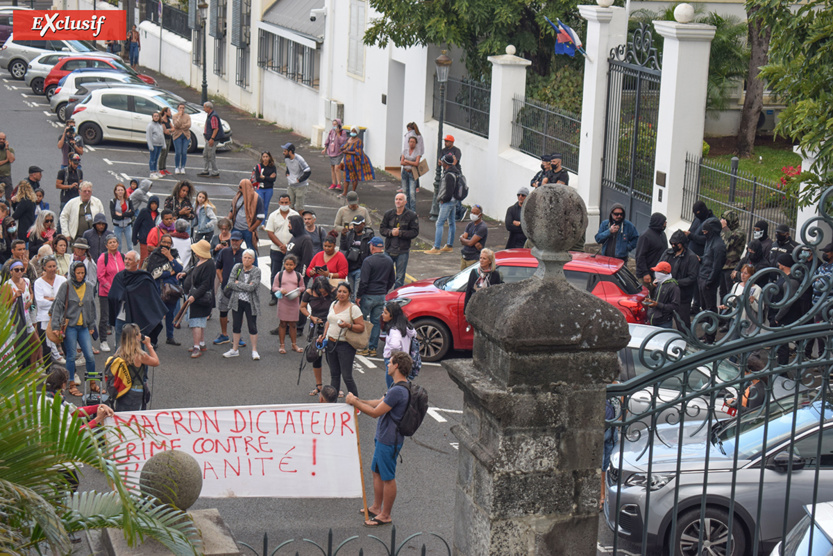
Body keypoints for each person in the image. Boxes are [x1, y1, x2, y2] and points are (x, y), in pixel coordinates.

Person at [345, 350, 413, 527]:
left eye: (390, 362)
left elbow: (375, 413)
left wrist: (355, 403)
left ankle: (385, 515)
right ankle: (376, 507)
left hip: (389, 440)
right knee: (376, 471)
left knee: (388, 477)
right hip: (384, 437)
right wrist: (358, 400)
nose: (388, 365)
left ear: (397, 365)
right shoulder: (397, 387)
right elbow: (378, 402)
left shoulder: (398, 390)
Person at [51, 261, 97, 396]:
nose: (80, 276)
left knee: (89, 356)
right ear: (73, 273)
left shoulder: (89, 286)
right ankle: (71, 384)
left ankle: (93, 383)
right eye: (78, 273)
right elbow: (58, 306)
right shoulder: (66, 286)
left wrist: (91, 324)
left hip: (83, 327)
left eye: (83, 273)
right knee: (71, 356)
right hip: (69, 326)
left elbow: (92, 306)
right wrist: (55, 326)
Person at [107, 250, 166, 350]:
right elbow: (112, 295)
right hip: (121, 318)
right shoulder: (119, 277)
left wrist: (127, 294)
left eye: (130, 259)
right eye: (126, 259)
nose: (127, 261)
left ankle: (141, 366)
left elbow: (152, 299)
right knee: (119, 349)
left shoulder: (144, 279)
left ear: (137, 262)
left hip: (138, 319)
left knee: (139, 350)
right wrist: (123, 295)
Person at [319, 282, 365, 397]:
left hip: (345, 346)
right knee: (334, 375)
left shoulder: (354, 309)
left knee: (346, 376)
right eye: (339, 291)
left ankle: (355, 403)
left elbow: (361, 327)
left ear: (349, 294)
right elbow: (329, 321)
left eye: (345, 292)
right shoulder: (333, 304)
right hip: (331, 343)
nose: (341, 294)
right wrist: (324, 335)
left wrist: (348, 326)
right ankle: (333, 404)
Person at [356, 237, 395, 357]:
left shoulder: (368, 261)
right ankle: (373, 348)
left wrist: (359, 296)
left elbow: (363, 281)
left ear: (372, 246)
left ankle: (363, 347)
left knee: (362, 321)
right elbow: (392, 280)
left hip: (368, 295)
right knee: (376, 322)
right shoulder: (389, 261)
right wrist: (384, 290)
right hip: (381, 296)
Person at [108, 323, 160, 412]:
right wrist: (149, 345)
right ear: (136, 337)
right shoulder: (140, 355)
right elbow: (156, 362)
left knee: (122, 417)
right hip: (135, 391)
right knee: (134, 419)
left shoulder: (119, 351)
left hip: (122, 390)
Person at [144, 235, 184, 347]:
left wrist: (170, 257)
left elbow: (179, 269)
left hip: (172, 289)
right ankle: (153, 339)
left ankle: (170, 337)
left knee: (170, 313)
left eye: (168, 243)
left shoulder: (174, 253)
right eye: (164, 242)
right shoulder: (154, 255)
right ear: (160, 242)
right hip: (158, 289)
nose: (166, 245)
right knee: (157, 314)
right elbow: (154, 274)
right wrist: (170, 272)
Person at [223, 249, 261, 360]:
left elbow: (252, 287)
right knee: (236, 325)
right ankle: (234, 349)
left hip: (250, 302)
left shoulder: (256, 271)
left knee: (252, 325)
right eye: (245, 257)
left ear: (253, 260)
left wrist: (238, 283)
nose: (247, 260)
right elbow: (230, 283)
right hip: (237, 301)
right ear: (242, 258)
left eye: (249, 258)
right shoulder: (237, 267)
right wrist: (245, 285)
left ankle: (254, 350)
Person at [300, 277, 335, 396]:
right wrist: (311, 317)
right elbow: (302, 307)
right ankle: (318, 386)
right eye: (320, 292)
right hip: (315, 327)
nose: (323, 294)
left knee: (332, 358)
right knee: (316, 356)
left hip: (331, 327)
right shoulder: (309, 293)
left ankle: (335, 386)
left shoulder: (334, 291)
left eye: (325, 292)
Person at [773, 253, 810, 364]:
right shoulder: (783, 277)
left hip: (785, 317)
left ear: (783, 265)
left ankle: (783, 370)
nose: (777, 264)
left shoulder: (792, 281)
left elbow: (788, 302)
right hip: (779, 316)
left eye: (779, 263)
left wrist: (778, 317)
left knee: (783, 345)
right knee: (779, 345)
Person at [182, 240, 215, 358]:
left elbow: (205, 285)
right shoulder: (201, 261)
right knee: (199, 322)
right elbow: (193, 272)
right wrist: (185, 275)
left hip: (199, 298)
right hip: (196, 296)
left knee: (195, 322)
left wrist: (194, 296)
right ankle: (201, 343)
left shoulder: (209, 265)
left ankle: (196, 347)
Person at [660, 231, 699, 329]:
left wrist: (675, 282)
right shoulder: (667, 253)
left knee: (683, 324)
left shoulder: (691, 257)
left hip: (682, 296)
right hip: (666, 294)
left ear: (682, 244)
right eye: (672, 243)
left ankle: (687, 341)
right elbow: (659, 266)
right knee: (662, 321)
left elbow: (692, 277)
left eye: (676, 244)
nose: (673, 246)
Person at [264, 195, 299, 302]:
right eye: (282, 202)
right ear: (279, 203)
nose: (284, 205)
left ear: (290, 202)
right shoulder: (273, 215)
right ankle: (274, 296)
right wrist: (281, 246)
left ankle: (290, 294)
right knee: (275, 273)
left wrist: (287, 245)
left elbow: (298, 232)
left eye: (286, 202)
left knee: (292, 273)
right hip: (276, 249)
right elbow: (270, 232)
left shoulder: (295, 215)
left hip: (291, 249)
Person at [380, 193, 419, 288]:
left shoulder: (411, 215)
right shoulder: (388, 214)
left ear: (405, 202)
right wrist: (390, 232)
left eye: (400, 199)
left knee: (400, 277)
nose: (398, 201)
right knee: (384, 275)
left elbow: (414, 232)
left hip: (402, 251)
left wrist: (400, 233)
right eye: (396, 199)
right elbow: (382, 229)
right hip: (388, 250)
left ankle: (396, 298)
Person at [697, 217, 726, 344]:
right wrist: (701, 259)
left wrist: (709, 281)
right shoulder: (710, 241)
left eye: (706, 231)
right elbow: (708, 259)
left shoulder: (719, 245)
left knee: (710, 309)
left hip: (708, 281)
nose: (704, 233)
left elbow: (717, 266)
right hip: (702, 277)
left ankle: (710, 336)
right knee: (704, 308)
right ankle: (706, 334)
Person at [35, 255, 67, 366]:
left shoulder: (62, 280)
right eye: (49, 266)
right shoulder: (38, 282)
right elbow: (40, 302)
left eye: (54, 266)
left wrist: (48, 299)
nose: (52, 269)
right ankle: (48, 367)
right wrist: (56, 301)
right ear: (44, 268)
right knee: (46, 346)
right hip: (44, 316)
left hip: (60, 316)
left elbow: (66, 298)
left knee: (63, 341)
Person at [5, 259, 38, 366]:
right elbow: (4, 306)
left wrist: (30, 301)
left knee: (36, 343)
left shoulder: (26, 281)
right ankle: (19, 372)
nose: (19, 272)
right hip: (14, 320)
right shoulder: (7, 286)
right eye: (16, 270)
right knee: (16, 348)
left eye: (21, 269)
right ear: (11, 272)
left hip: (26, 317)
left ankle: (33, 369)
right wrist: (14, 297)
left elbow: (31, 293)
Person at [425, 153, 459, 255]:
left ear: (445, 163)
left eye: (442, 161)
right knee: (452, 223)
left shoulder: (448, 175)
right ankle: (449, 245)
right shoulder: (455, 172)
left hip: (447, 202)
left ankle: (436, 247)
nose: (441, 163)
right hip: (454, 201)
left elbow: (448, 191)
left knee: (439, 223)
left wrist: (443, 199)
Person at [96, 235, 124, 353]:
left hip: (120, 293)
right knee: (105, 317)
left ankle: (118, 340)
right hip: (106, 293)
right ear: (106, 245)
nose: (113, 244)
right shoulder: (103, 258)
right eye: (110, 242)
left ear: (118, 244)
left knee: (119, 316)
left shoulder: (122, 256)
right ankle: (103, 340)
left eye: (115, 242)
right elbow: (100, 276)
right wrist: (110, 288)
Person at [273, 254, 306, 354]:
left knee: (293, 324)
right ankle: (282, 345)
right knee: (282, 323)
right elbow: (274, 287)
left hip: (294, 302)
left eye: (291, 265)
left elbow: (302, 287)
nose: (289, 266)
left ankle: (294, 344)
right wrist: (280, 289)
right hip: (283, 302)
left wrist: (298, 290)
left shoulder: (298, 275)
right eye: (287, 264)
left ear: (295, 265)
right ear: (284, 264)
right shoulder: (280, 275)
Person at [685, 201, 713, 314]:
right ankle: (695, 305)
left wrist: (691, 236)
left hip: (702, 258)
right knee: (693, 282)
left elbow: (705, 239)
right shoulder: (697, 219)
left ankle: (700, 306)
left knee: (699, 284)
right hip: (692, 256)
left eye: (697, 212)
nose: (696, 215)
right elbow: (691, 231)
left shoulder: (710, 222)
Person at [719, 264, 763, 336]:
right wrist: (726, 306)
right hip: (735, 319)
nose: (742, 275)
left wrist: (752, 302)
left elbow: (760, 309)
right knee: (733, 341)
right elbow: (731, 300)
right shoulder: (736, 285)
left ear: (752, 275)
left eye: (746, 273)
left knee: (744, 342)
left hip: (748, 321)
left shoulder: (757, 289)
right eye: (742, 272)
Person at [380, 302, 415, 388]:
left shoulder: (394, 330)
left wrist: (392, 360)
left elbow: (395, 346)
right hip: (404, 360)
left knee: (392, 387)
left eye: (385, 313)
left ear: (392, 316)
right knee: (401, 386)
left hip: (395, 362)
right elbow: (414, 334)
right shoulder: (406, 326)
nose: (382, 315)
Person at [431, 134, 462, 220]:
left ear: (452, 142)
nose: (445, 143)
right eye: (445, 141)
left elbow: (455, 161)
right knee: (447, 189)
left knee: (455, 191)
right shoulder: (443, 150)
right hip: (446, 172)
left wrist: (448, 164)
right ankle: (454, 212)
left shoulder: (456, 150)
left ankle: (459, 210)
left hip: (455, 173)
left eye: (447, 141)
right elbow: (439, 161)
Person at [341, 215, 373, 296]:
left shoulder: (368, 235)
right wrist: (343, 236)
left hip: (360, 268)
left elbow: (371, 251)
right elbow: (343, 248)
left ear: (363, 224)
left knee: (357, 293)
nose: (356, 227)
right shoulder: (349, 234)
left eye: (358, 224)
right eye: (354, 224)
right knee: (350, 293)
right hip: (350, 267)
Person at [228, 179, 264, 250]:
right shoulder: (237, 196)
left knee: (251, 252)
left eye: (240, 187)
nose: (238, 188)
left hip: (248, 230)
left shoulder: (257, 199)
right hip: (236, 228)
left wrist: (251, 229)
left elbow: (260, 218)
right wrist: (227, 219)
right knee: (232, 250)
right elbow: (232, 210)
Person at [634, 213, 668, 288]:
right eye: (664, 222)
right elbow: (640, 256)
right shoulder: (645, 236)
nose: (665, 224)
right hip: (647, 276)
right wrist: (645, 273)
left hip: (658, 275)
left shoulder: (662, 235)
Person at [643, 261, 679, 329]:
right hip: (654, 321)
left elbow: (675, 306)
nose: (656, 273)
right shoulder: (660, 283)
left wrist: (657, 304)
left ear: (664, 272)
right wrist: (651, 301)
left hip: (664, 323)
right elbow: (658, 299)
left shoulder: (673, 287)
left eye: (658, 271)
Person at [719, 210, 746, 302]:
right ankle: (722, 313)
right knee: (722, 292)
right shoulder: (725, 230)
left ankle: (729, 313)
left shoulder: (740, 232)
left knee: (729, 293)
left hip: (731, 266)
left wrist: (725, 227)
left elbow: (731, 241)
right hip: (722, 265)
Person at [340, 126, 375, 195]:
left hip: (354, 163)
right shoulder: (349, 139)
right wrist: (342, 149)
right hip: (347, 162)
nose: (353, 133)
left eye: (354, 132)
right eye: (352, 131)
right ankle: (344, 192)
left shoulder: (359, 141)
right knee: (346, 177)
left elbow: (358, 152)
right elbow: (343, 146)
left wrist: (348, 152)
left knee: (354, 177)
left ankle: (353, 192)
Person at [282, 143, 311, 212]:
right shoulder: (287, 159)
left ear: (290, 152)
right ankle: (293, 220)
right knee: (289, 205)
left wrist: (299, 180)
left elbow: (308, 171)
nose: (283, 153)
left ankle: (301, 221)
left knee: (299, 207)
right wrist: (287, 173)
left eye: (285, 151)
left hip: (301, 187)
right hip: (291, 185)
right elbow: (289, 168)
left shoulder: (299, 159)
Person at [132, 195, 160, 262]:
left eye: (155, 204)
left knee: (151, 258)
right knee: (144, 258)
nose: (154, 205)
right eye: (152, 203)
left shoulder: (157, 214)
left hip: (153, 240)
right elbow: (136, 225)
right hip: (144, 239)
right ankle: (140, 272)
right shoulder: (144, 212)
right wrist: (135, 238)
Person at [285, 214, 314, 279]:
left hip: (297, 277)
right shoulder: (294, 237)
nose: (288, 225)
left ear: (295, 224)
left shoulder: (306, 240)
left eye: (290, 223)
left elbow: (306, 261)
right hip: (288, 274)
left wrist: (301, 277)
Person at [460, 204, 488, 270]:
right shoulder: (470, 224)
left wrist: (465, 239)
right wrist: (463, 238)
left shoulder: (482, 227)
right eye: (472, 212)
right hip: (464, 256)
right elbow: (463, 239)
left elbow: (470, 243)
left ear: (480, 215)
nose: (473, 214)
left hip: (473, 258)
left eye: (475, 213)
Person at [110, 183, 135, 255]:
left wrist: (121, 214)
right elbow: (114, 215)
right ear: (115, 191)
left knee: (130, 246)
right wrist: (126, 214)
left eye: (122, 190)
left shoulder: (129, 200)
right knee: (118, 246)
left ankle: (131, 260)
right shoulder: (113, 201)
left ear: (124, 191)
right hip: (117, 226)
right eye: (118, 190)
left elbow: (132, 212)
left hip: (127, 226)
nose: (120, 191)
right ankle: (118, 261)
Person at [322, 119, 347, 190]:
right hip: (331, 152)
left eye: (335, 124)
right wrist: (325, 149)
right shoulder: (331, 132)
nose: (334, 126)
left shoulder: (343, 132)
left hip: (338, 152)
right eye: (333, 124)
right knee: (332, 168)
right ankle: (334, 183)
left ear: (339, 125)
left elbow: (342, 141)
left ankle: (339, 184)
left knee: (337, 168)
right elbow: (328, 140)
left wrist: (338, 133)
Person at [198, 101, 221, 178]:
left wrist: (212, 138)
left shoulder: (213, 116)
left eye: (204, 107)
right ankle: (206, 170)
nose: (204, 108)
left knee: (211, 155)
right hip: (209, 139)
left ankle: (215, 171)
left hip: (211, 140)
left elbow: (216, 128)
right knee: (206, 154)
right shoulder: (210, 115)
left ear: (208, 108)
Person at [11, 180, 37, 246]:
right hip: (30, 225)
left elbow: (16, 215)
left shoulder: (24, 202)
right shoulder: (32, 201)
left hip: (24, 228)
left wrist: (14, 202)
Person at [400, 136, 421, 212]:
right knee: (405, 191)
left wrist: (407, 161)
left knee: (412, 193)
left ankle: (412, 211)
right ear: (408, 142)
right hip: (405, 172)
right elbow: (401, 162)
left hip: (412, 172)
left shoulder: (417, 152)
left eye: (413, 142)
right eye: (410, 142)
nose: (412, 143)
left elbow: (416, 163)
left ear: (416, 143)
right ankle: (406, 209)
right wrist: (410, 162)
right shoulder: (405, 151)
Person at [171, 102, 192, 175]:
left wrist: (182, 126)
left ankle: (183, 167)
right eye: (180, 108)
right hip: (177, 135)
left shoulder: (187, 116)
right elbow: (176, 125)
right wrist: (179, 117)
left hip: (186, 135)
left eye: (183, 108)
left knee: (184, 152)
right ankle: (177, 167)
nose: (182, 109)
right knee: (178, 152)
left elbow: (189, 125)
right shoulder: (174, 116)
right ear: (177, 108)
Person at [146, 111, 165, 179]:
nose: (156, 117)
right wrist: (150, 145)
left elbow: (162, 135)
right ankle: (152, 172)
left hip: (159, 144)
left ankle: (155, 171)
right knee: (152, 158)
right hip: (154, 144)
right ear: (152, 117)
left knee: (156, 158)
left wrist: (163, 144)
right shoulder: (150, 125)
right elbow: (148, 136)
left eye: (157, 116)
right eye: (155, 116)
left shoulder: (160, 125)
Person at [157, 107, 173, 177]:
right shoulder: (162, 121)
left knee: (166, 154)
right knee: (163, 154)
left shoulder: (168, 120)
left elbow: (173, 128)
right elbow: (165, 131)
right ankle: (160, 168)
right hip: (163, 139)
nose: (170, 113)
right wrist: (170, 130)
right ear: (165, 112)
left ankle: (164, 168)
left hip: (169, 138)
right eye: (169, 111)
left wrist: (169, 130)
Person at [0, 132, 15, 202]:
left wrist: (7, 149)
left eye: (3, 139)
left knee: (9, 196)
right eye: (0, 139)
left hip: (6, 176)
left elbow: (11, 160)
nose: (2, 141)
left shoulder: (10, 149)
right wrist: (6, 160)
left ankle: (8, 212)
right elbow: (8, 160)